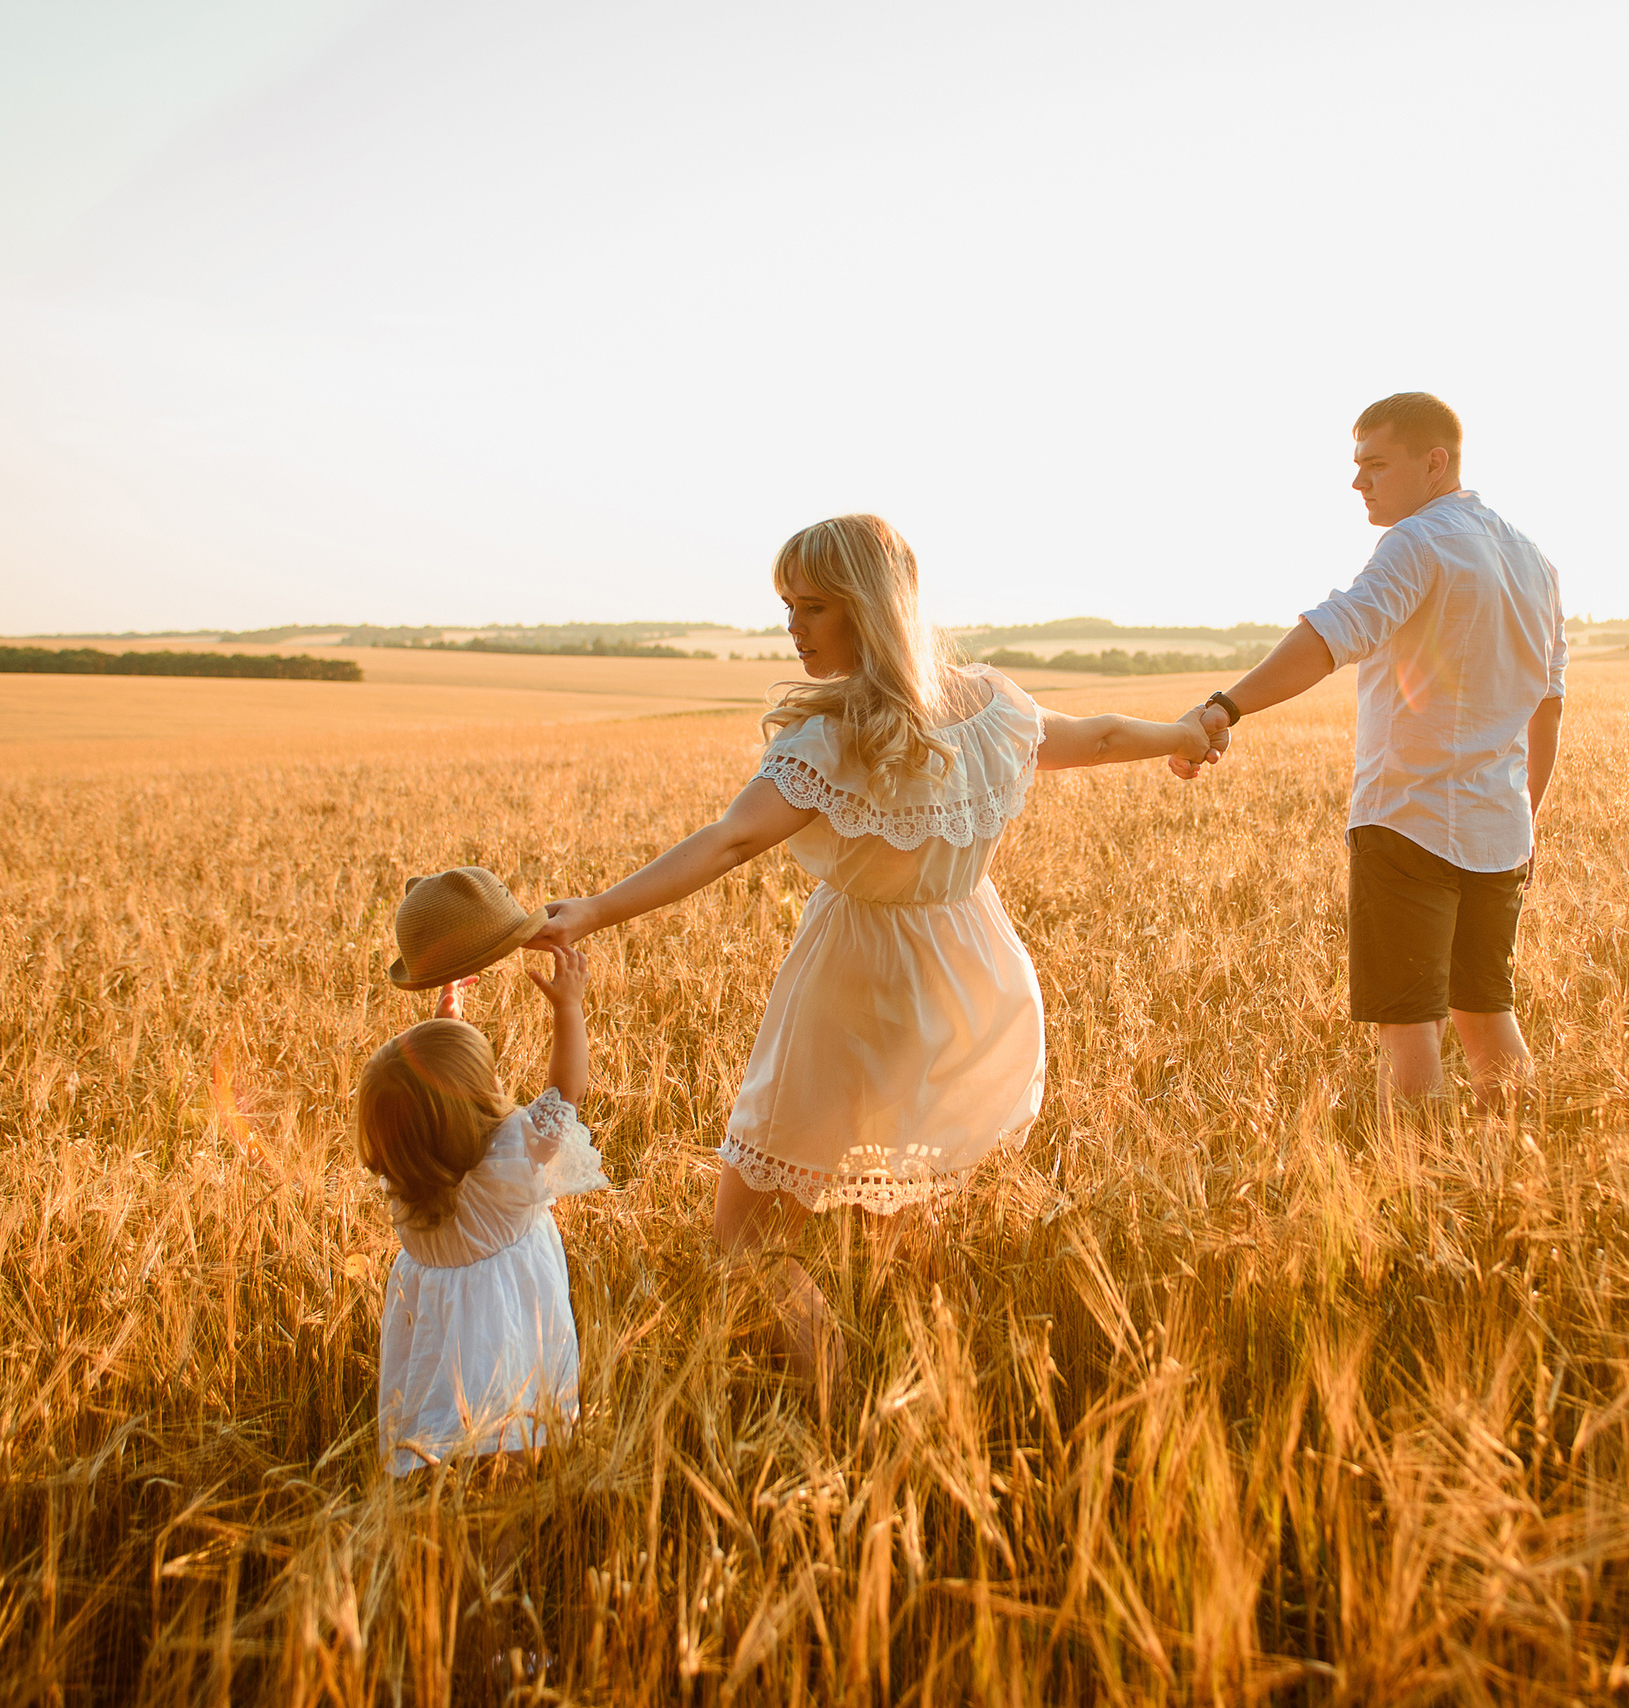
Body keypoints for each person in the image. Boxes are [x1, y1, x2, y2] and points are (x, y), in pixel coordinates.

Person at [530, 513, 1222, 1375]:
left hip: (856, 981)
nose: (793, 627)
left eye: (812, 607)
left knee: (745, 1233)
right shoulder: (993, 706)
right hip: (971, 976)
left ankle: (836, 1396)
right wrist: (1187, 737)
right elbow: (1104, 736)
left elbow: (729, 842)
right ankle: (912, 1393)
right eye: (787, 605)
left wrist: (595, 909)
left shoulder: (834, 737)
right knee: (897, 1213)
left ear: (865, 608)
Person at [1178, 392, 1566, 1113]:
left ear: (1435, 461)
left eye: (1376, 465)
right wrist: (1527, 821)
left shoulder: (1418, 542)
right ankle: (1514, 1182)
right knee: (1488, 1014)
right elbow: (1549, 704)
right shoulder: (1534, 561)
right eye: (1357, 466)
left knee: (1408, 1029)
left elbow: (1332, 635)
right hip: (1499, 832)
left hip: (1407, 821)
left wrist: (1225, 706)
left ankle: (1418, 1198)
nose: (1359, 482)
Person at [356, 942, 607, 1474]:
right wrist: (568, 1007)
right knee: (515, 1436)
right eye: (488, 1079)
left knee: (447, 1444)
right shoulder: (512, 1159)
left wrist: (443, 1028)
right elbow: (567, 1091)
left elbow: (424, 1115)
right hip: (507, 1329)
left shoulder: (408, 1176)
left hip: (441, 1339)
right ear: (476, 1104)